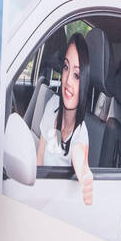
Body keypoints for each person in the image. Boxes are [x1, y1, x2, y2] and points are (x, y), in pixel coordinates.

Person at [36, 32, 94, 206]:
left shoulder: (81, 133)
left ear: (84, 80)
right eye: (66, 67)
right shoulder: (52, 105)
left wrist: (85, 175)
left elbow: (79, 154)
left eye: (76, 75)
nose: (68, 80)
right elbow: (40, 156)